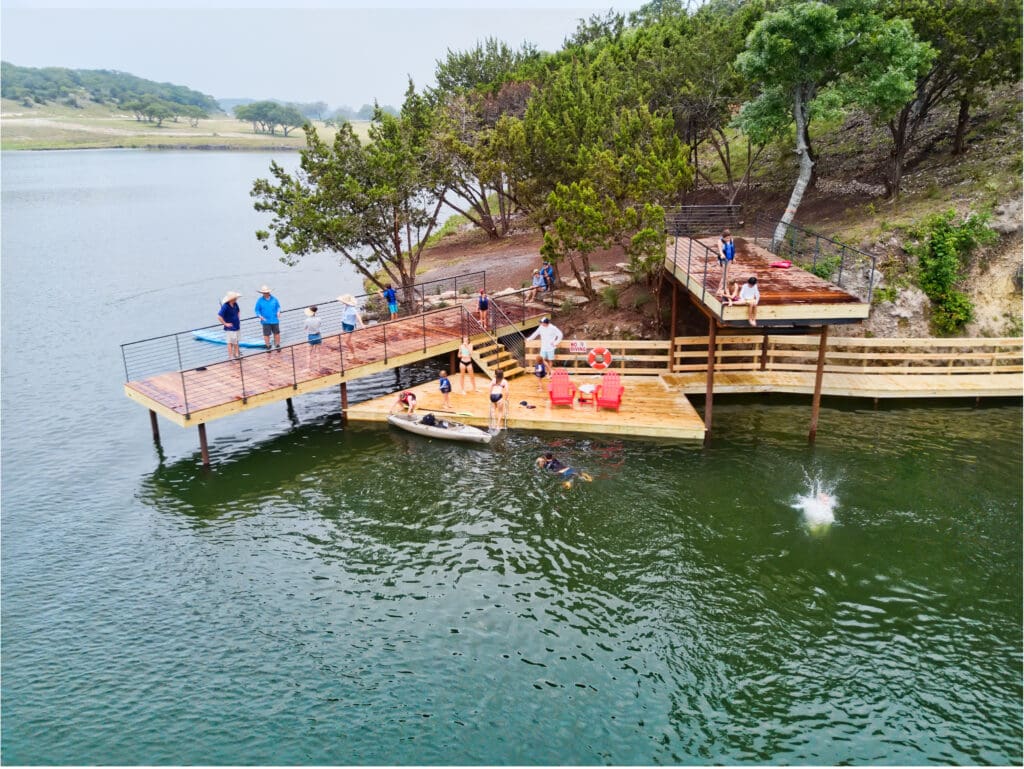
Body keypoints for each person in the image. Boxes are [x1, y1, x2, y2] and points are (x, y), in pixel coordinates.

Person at [254, 284, 282, 351]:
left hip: (274, 319)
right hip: (265, 320)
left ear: (269, 292)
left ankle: (277, 345)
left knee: (277, 333)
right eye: (264, 293)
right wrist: (260, 316)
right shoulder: (259, 300)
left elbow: (278, 307)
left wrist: (278, 312)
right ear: (262, 293)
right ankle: (268, 346)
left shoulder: (274, 299)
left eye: (267, 292)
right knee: (266, 335)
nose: (266, 293)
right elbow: (257, 310)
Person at [217, 290, 242, 362]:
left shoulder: (235, 304)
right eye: (235, 298)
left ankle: (237, 354)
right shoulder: (225, 306)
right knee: (230, 342)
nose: (236, 299)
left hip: (237, 326)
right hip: (230, 328)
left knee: (236, 341)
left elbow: (238, 311)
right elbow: (219, 316)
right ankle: (231, 357)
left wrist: (238, 318)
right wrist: (225, 324)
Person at [717, 229, 736, 297]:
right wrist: (722, 254)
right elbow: (720, 250)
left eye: (729, 237)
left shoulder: (731, 240)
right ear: (723, 237)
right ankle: (720, 290)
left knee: (726, 275)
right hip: (723, 260)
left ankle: (723, 289)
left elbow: (733, 249)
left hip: (729, 259)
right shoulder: (720, 241)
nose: (728, 239)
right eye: (726, 238)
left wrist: (733, 258)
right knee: (724, 275)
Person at [303, 305, 323, 371]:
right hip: (318, 336)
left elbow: (305, 328)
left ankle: (308, 368)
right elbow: (320, 325)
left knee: (309, 353)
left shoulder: (307, 320)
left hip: (311, 336)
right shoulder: (319, 319)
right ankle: (318, 367)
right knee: (318, 353)